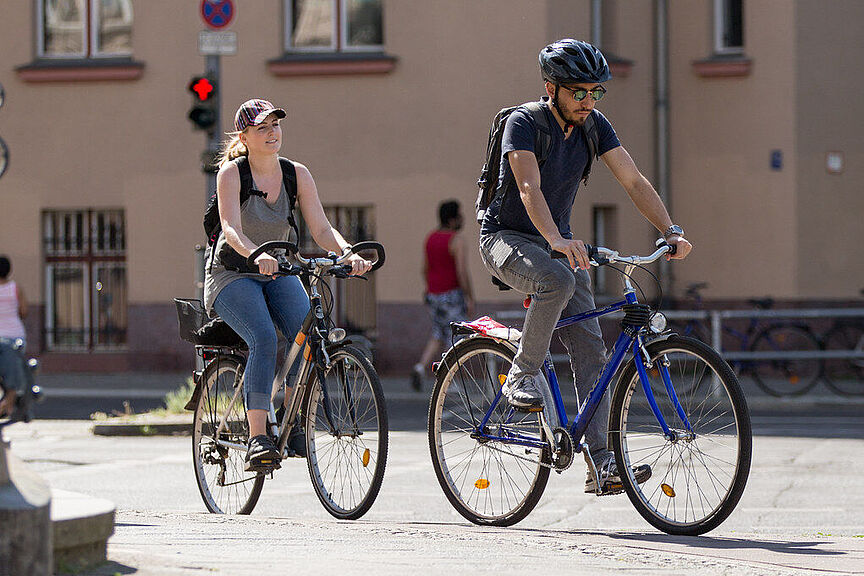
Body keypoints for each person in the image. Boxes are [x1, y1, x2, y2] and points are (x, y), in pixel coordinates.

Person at [478, 39, 692, 495]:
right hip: (505, 238)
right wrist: (556, 238)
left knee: (593, 350)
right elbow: (529, 187)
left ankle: (603, 463)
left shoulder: (594, 126)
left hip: (557, 243)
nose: (588, 101)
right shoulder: (524, 123)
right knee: (556, 279)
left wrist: (670, 229)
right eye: (578, 92)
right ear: (551, 88)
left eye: (595, 92)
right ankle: (521, 375)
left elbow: (633, 180)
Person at [204, 99, 373, 471]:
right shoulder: (232, 173)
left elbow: (322, 229)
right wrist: (255, 254)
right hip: (232, 273)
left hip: (277, 271)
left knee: (309, 334)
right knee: (264, 337)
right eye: (262, 128)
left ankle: (293, 420)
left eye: (275, 125)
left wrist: (347, 253)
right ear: (244, 137)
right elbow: (230, 228)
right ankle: (258, 437)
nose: (272, 133)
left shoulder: (297, 174)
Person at [411, 200, 475, 391]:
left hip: (433, 294)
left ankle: (420, 367)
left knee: (438, 333)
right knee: (455, 336)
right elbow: (462, 272)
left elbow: (424, 268)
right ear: (452, 219)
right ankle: (449, 379)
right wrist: (469, 297)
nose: (462, 219)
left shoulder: (430, 238)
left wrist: (430, 288)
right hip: (452, 294)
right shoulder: (457, 240)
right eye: (459, 215)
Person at [0, 255, 28, 418]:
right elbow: (24, 311)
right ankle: (9, 404)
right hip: (14, 336)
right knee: (12, 368)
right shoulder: (16, 288)